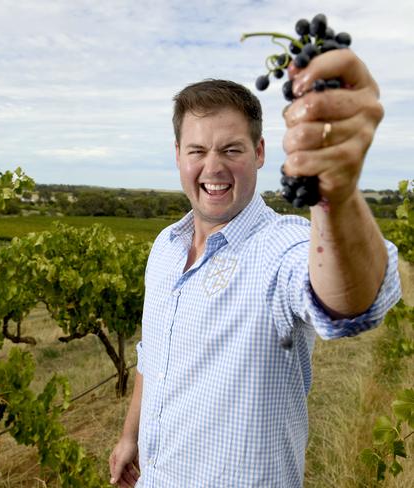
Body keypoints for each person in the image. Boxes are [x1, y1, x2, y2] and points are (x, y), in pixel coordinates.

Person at [108, 48, 402, 487]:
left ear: (260, 151)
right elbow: (154, 357)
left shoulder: (279, 246)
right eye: (197, 150)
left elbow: (351, 302)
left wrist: (335, 191)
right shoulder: (165, 248)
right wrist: (131, 435)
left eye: (231, 149)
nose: (213, 167)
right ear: (177, 156)